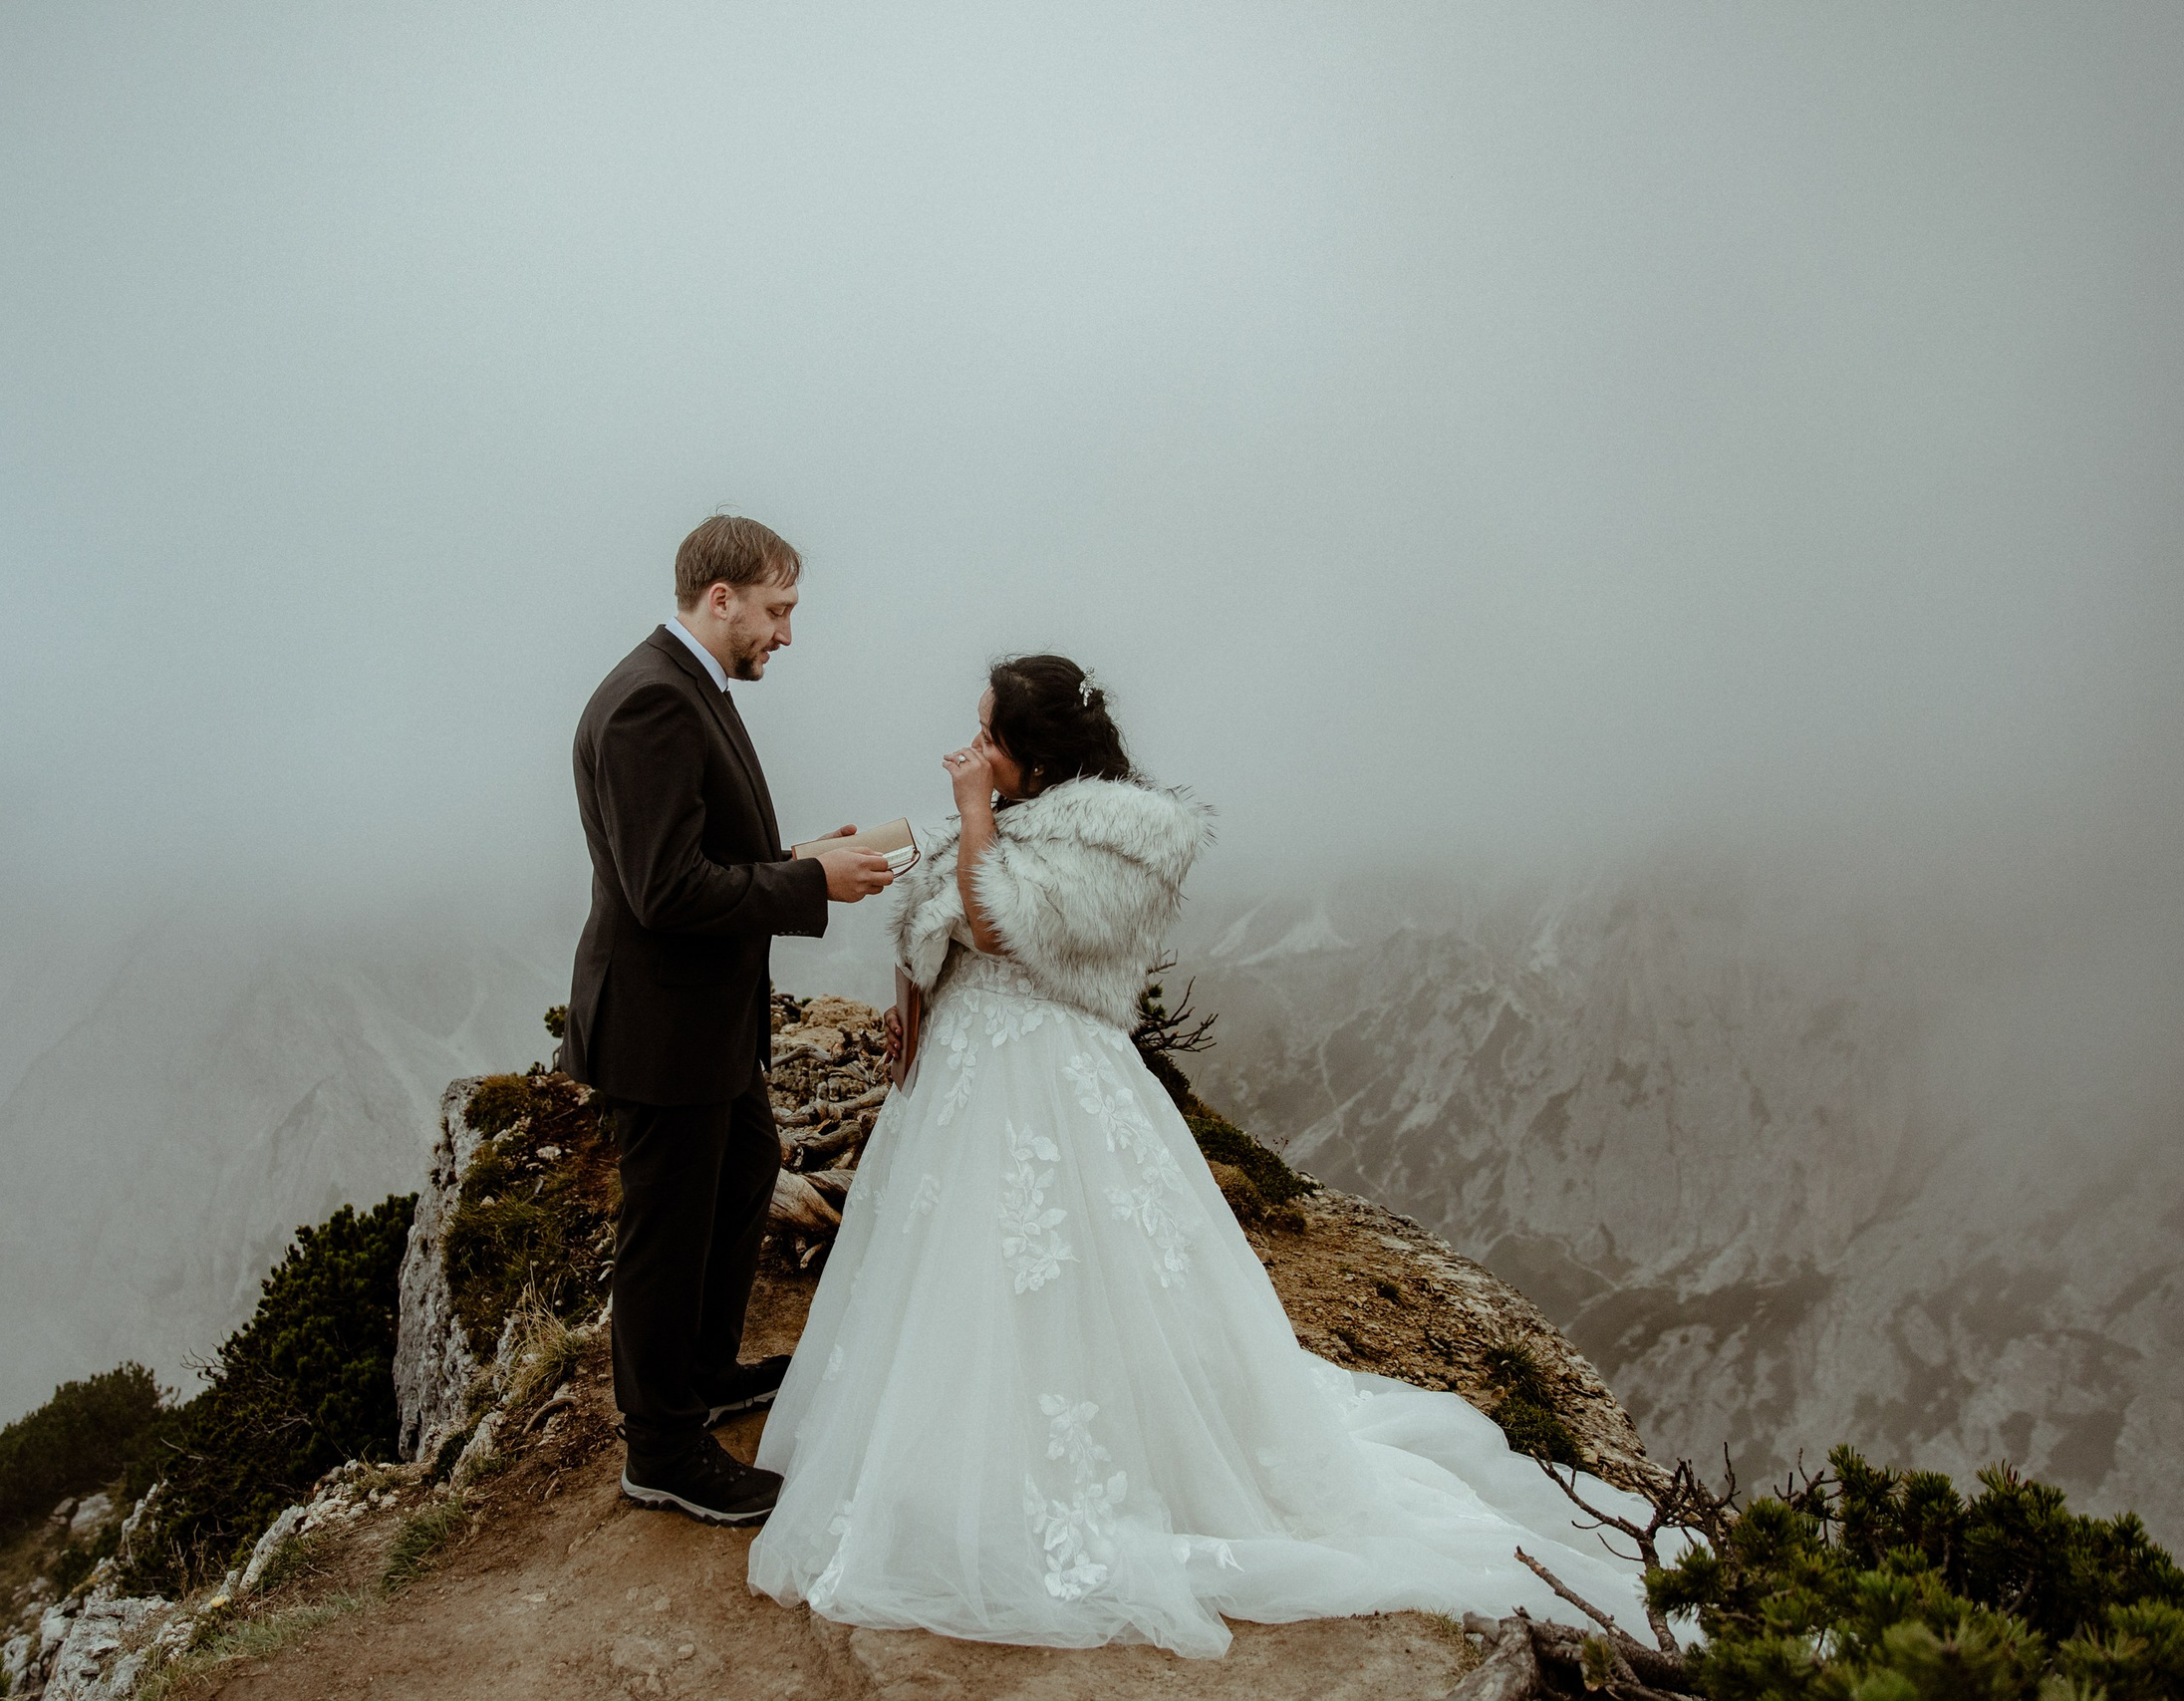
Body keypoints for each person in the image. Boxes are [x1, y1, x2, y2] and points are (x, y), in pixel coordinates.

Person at [748, 654, 1664, 1655]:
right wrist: (787, 866)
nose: (968, 752)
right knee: (960, 1273)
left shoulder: (1117, 844)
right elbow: (905, 852)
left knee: (1063, 1269)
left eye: (988, 737)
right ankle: (938, 1453)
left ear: (1036, 757)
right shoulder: (1012, 810)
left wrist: (968, 807)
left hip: (1046, 1076)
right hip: (968, 1075)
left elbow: (997, 924)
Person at [560, 515, 896, 1526]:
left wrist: (796, 854)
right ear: (721, 599)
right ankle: (661, 1449)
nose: (785, 634)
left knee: (748, 1167)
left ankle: (704, 1371)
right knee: (664, 1232)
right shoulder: (651, 705)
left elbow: (689, 848)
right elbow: (663, 890)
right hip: (662, 1029)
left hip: (703, 1022)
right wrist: (806, 883)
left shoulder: (682, 686)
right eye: (777, 611)